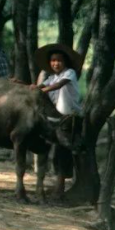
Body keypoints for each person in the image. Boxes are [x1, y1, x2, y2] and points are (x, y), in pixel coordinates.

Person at [31, 43, 84, 197]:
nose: (56, 63)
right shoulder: (52, 77)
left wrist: (43, 90)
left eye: (59, 60)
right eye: (53, 61)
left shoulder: (70, 73)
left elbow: (58, 85)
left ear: (65, 62)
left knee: (65, 152)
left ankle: (60, 188)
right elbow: (41, 85)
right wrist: (33, 87)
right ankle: (56, 186)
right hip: (56, 120)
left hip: (70, 119)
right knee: (55, 152)